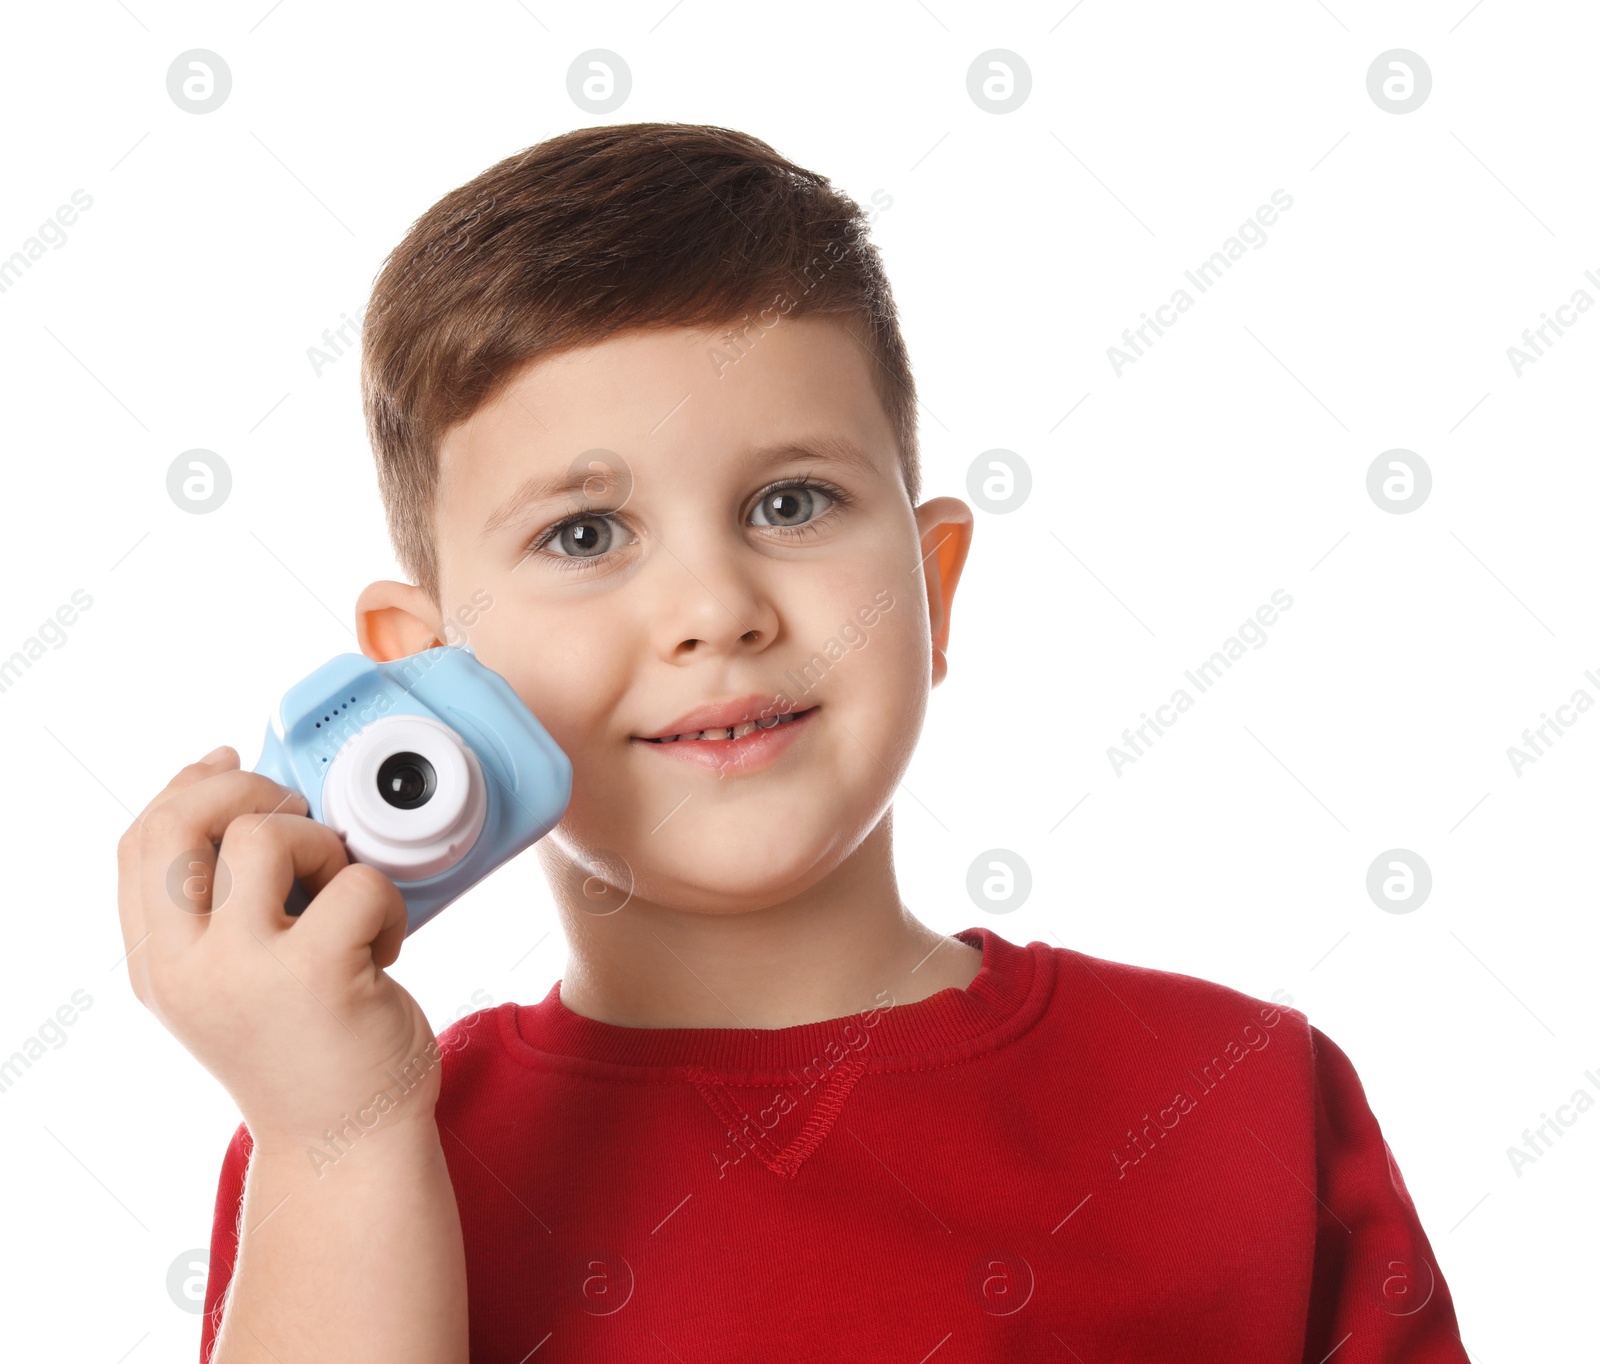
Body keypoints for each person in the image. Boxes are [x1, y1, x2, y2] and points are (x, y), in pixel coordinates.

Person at [115, 122, 1471, 1362]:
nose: (716, 609)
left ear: (933, 591)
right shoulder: (355, 1142)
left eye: (789, 501)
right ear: (423, 675)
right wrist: (337, 1150)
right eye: (584, 535)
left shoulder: (1241, 1105)